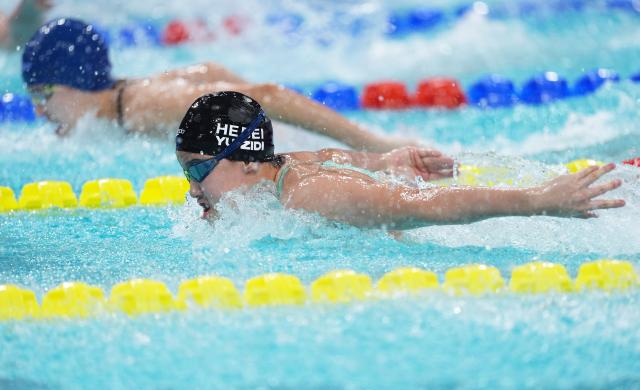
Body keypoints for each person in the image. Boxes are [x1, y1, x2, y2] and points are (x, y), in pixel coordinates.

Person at [176, 91, 626, 228]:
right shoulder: (279, 168)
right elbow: (330, 153)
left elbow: (420, 206)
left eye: (198, 169)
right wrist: (384, 159)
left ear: (249, 161)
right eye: (186, 171)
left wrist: (535, 200)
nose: (192, 186)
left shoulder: (312, 194)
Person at [22, 17, 415, 152]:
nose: (39, 111)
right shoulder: (127, 98)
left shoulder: (144, 107)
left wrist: (370, 143)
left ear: (74, 82)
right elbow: (207, 69)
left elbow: (267, 95)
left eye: (44, 95)